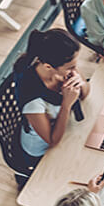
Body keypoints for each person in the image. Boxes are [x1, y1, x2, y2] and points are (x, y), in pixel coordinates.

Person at [13, 28, 89, 167]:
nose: (74, 70)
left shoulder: (61, 66)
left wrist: (80, 82)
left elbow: (85, 94)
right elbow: (52, 140)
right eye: (71, 67)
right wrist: (66, 105)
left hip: (66, 128)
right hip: (42, 151)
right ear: (48, 66)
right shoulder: (33, 100)